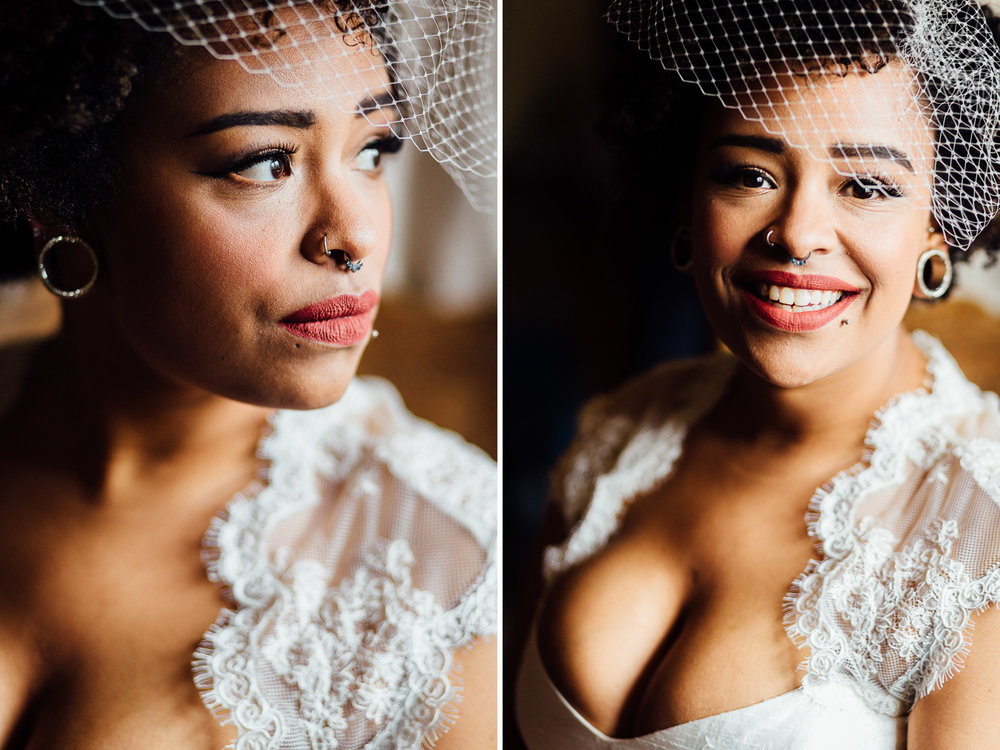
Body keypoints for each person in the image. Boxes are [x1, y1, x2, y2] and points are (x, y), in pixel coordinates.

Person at [0, 1, 496, 748]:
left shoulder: (450, 565)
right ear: (56, 189)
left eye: (374, 149)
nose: (353, 236)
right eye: (267, 162)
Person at [516, 0, 1000, 747]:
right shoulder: (616, 436)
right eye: (749, 174)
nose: (798, 235)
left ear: (937, 221)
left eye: (865, 186)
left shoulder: (982, 532)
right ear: (687, 192)